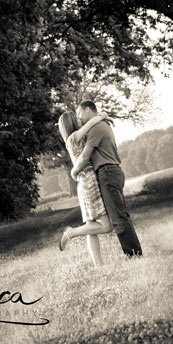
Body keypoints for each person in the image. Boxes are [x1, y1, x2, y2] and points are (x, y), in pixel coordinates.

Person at [72, 100, 143, 258]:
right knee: (120, 215)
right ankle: (134, 252)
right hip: (112, 170)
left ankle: (134, 254)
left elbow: (84, 156)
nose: (79, 118)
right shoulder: (102, 124)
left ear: (89, 110)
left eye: (80, 113)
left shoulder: (96, 127)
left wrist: (75, 170)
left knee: (118, 217)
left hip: (107, 172)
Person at [57, 110, 113, 266]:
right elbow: (89, 124)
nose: (80, 118)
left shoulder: (80, 137)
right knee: (106, 226)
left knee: (91, 226)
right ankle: (71, 232)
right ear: (72, 123)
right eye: (77, 118)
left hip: (85, 183)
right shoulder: (72, 139)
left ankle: (98, 265)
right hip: (89, 184)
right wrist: (100, 117)